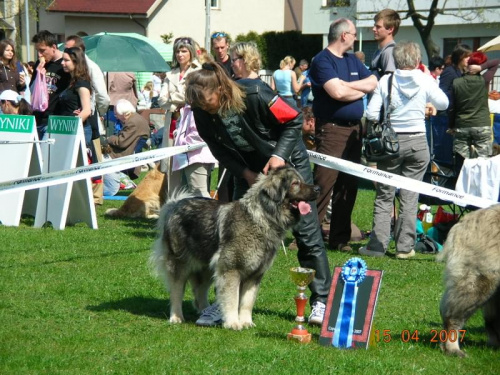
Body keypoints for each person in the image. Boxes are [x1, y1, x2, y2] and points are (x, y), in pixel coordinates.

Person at [185, 48, 332, 327]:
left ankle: (320, 302)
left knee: (307, 233)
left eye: (208, 102)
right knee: (235, 240)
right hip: (249, 170)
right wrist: (246, 173)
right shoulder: (201, 112)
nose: (206, 109)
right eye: (200, 107)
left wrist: (278, 155)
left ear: (221, 89)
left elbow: (294, 119)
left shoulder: (254, 93)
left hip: (287, 163)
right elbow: (218, 149)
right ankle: (226, 304)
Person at [358, 41, 449, 259]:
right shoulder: (426, 80)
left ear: (397, 60)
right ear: (418, 60)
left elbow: (371, 114)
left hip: (391, 144)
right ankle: (404, 247)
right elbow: (444, 103)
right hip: (418, 144)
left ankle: (377, 246)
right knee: (410, 195)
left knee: (384, 195)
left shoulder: (386, 80)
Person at [309, 18, 377, 252]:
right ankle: (310, 236)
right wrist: (357, 88)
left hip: (354, 130)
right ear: (343, 35)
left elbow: (373, 82)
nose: (356, 38)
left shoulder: (352, 60)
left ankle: (340, 239)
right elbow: (336, 92)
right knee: (323, 183)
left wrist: (349, 88)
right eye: (354, 33)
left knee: (348, 186)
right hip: (332, 130)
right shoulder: (322, 61)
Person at [158, 36, 202, 175]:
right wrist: (177, 100)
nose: (180, 54)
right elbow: (160, 100)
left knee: (191, 164)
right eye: (177, 51)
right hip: (172, 120)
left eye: (183, 51)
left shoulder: (198, 71)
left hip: (191, 123)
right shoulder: (171, 73)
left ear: (190, 52)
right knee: (171, 167)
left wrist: (171, 97)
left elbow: (192, 96)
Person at [450, 51, 499, 161]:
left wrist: (451, 125)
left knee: (461, 161)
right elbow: (496, 62)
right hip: (482, 125)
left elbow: (453, 107)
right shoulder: (484, 80)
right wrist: (482, 67)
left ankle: (461, 177)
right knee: (483, 162)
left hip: (461, 125)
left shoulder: (456, 82)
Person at [101, 99, 151, 195]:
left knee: (110, 191)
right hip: (126, 152)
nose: (116, 117)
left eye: (116, 114)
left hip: (122, 155)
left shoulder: (132, 122)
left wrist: (108, 138)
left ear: (123, 113)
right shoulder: (135, 118)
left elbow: (121, 142)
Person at [31, 30, 71, 140]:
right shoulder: (39, 64)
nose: (39, 54)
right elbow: (32, 91)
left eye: (42, 50)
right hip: (38, 117)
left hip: (55, 119)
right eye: (37, 50)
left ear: (53, 47)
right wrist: (39, 76)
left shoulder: (65, 64)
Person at [56, 47, 93, 144]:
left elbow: (86, 111)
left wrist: (71, 126)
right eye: (62, 59)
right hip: (70, 130)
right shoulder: (71, 80)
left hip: (78, 131)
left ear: (76, 62)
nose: (62, 63)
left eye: (66, 60)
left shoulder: (81, 82)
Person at [370, 9, 401, 80]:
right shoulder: (379, 52)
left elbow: (390, 82)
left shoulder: (389, 52)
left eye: (378, 27)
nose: (373, 29)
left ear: (390, 29)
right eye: (374, 26)